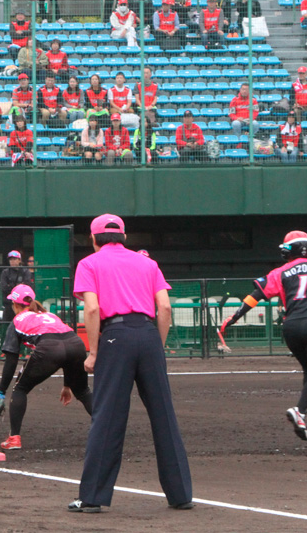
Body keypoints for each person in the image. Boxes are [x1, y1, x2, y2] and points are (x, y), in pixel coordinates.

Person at [70, 214, 192, 513]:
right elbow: (164, 307)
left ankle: (93, 498)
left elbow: (93, 308)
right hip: (149, 334)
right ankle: (181, 495)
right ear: (123, 236)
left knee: (108, 417)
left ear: (94, 239)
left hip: (115, 335)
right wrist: (156, 346)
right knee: (164, 414)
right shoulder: (147, 263)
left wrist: (94, 352)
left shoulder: (89, 264)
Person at [219, 231, 307, 440]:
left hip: (292, 327)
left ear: (293, 250)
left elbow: (256, 296)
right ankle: (299, 411)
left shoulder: (280, 271)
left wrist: (234, 317)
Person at [0, 284, 92, 451]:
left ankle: (14, 439)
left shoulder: (17, 321)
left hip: (49, 349)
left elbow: (11, 361)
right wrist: (68, 385)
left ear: (16, 305)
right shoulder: (49, 315)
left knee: (20, 389)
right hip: (76, 344)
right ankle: (107, 428)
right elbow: (65, 348)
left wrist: (1, 392)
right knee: (83, 391)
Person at [0, 250, 31, 324]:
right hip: (8, 304)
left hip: (22, 305)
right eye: (10, 259)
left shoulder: (25, 272)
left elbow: (27, 286)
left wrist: (11, 287)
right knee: (7, 325)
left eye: (14, 259)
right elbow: (4, 287)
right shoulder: (5, 272)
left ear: (19, 260)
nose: (12, 261)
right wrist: (18, 288)